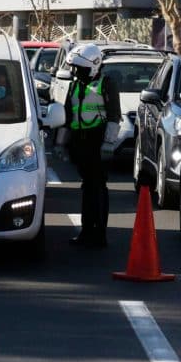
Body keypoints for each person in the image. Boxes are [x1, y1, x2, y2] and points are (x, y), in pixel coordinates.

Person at [62, 43, 120, 249]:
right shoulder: (74, 85)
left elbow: (114, 116)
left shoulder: (106, 84)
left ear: (93, 66)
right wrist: (62, 142)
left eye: (79, 68)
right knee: (87, 187)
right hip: (80, 142)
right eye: (74, 68)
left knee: (98, 188)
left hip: (98, 141)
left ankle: (99, 234)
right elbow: (67, 116)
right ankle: (87, 232)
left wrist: (108, 144)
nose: (75, 72)